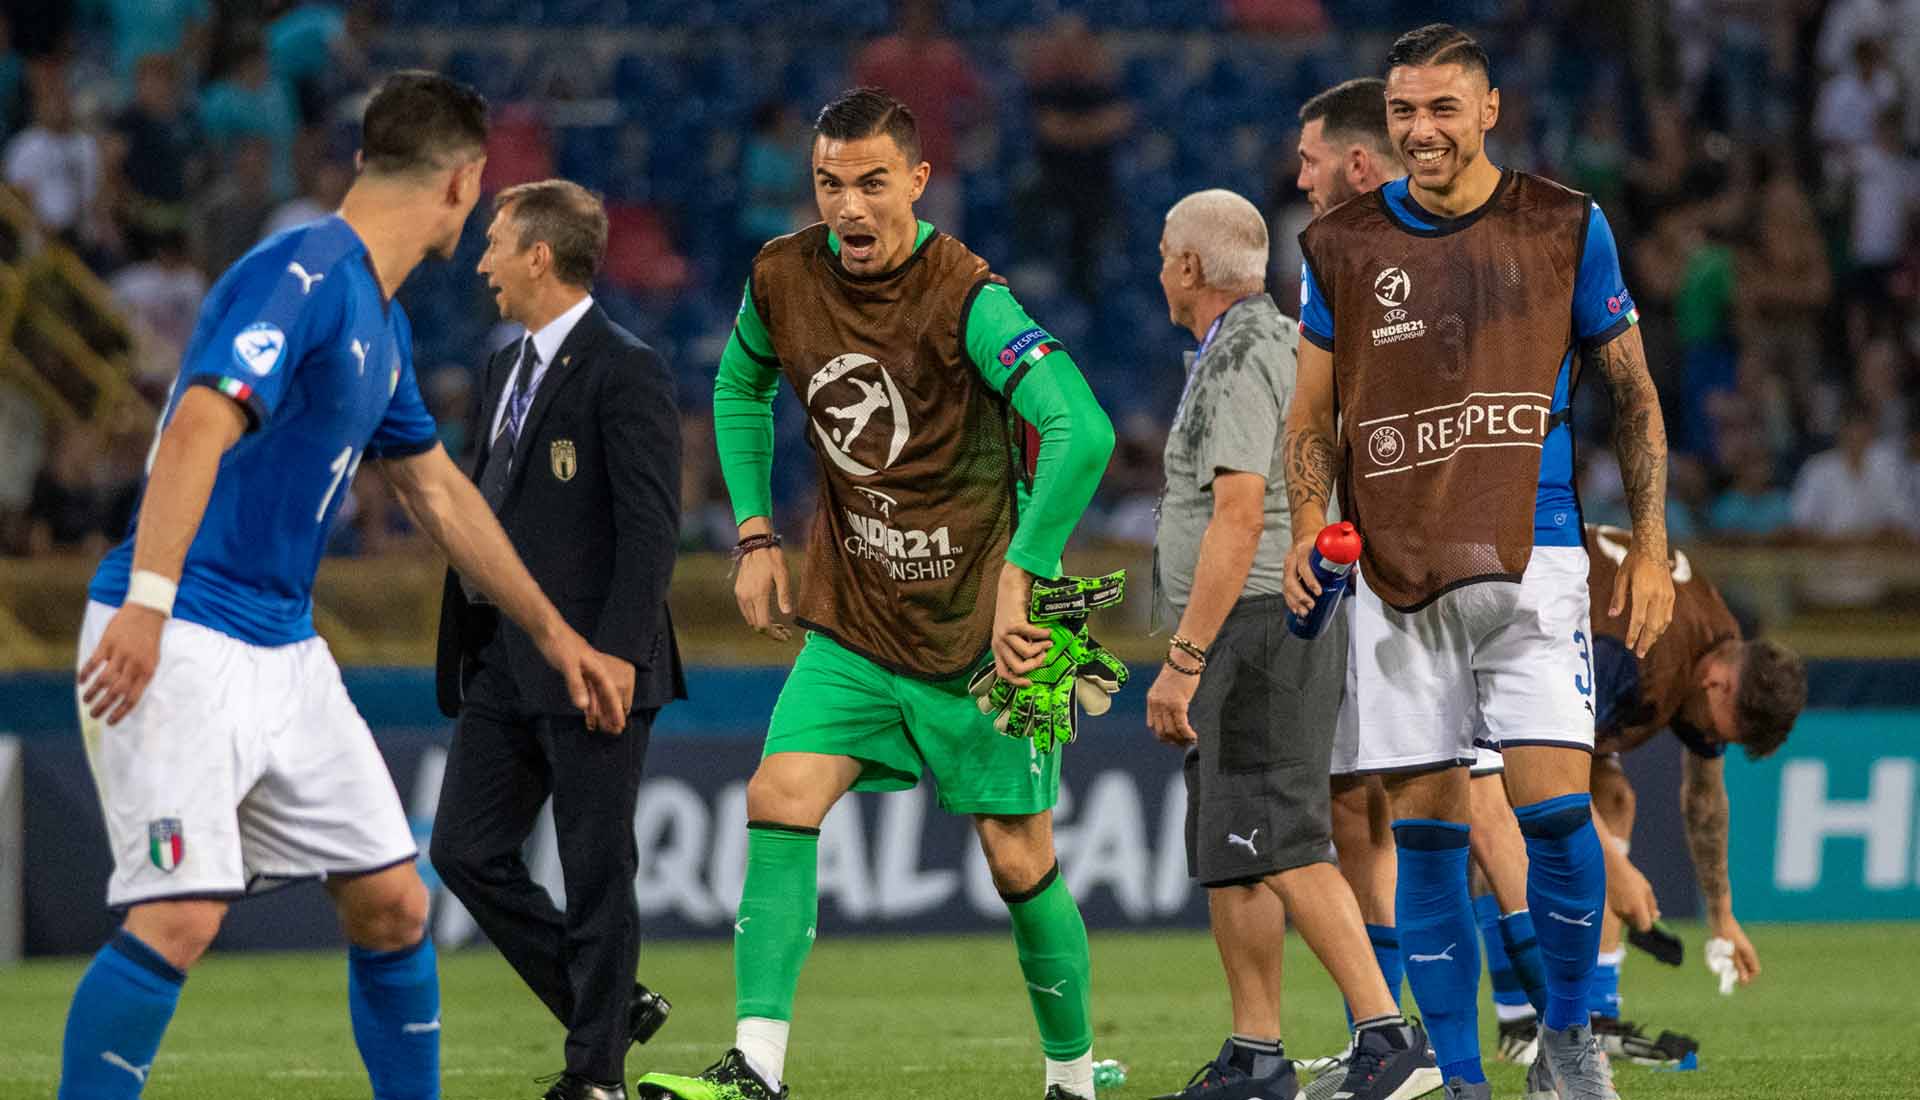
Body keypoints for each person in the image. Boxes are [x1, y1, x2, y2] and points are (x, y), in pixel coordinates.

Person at [57, 71, 632, 1100]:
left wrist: (557, 635)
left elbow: (438, 493)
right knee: (180, 915)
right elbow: (196, 425)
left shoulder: (380, 318)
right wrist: (147, 602)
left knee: (394, 903)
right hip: (182, 625)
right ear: (462, 183)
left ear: (368, 159)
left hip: (283, 646)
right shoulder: (302, 270)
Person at [636, 87, 1117, 1100]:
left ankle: (1073, 1078)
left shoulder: (970, 297)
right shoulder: (782, 276)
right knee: (779, 794)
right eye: (828, 184)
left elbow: (1082, 429)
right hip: (855, 613)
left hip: (991, 628)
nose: (847, 206)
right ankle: (756, 1067)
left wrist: (1027, 576)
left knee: (1018, 858)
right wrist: (756, 532)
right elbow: (738, 385)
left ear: (918, 181)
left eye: (870, 183)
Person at [1285, 26, 1674, 1100]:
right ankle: (1461, 1078)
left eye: (1442, 108)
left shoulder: (1564, 223)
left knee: (1555, 813)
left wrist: (1650, 544)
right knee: (1426, 833)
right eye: (1404, 111)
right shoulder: (1341, 244)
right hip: (1394, 566)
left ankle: (1568, 1034)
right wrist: (1305, 525)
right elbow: (1310, 415)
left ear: (1490, 109)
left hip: (1533, 549)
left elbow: (1634, 392)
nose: (1422, 131)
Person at [1144, 187, 1439, 1100]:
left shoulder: (1239, 355)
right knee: (1236, 851)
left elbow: (1239, 517)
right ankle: (1256, 1055)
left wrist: (1185, 659)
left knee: (1284, 837)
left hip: (1258, 624)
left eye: (1164, 254)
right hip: (1264, 621)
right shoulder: (1279, 343)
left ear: (1190, 265)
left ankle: (1389, 1039)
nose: (1159, 270)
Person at [429, 179, 685, 1100]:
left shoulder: (625, 367)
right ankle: (607, 1007)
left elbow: (652, 528)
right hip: (503, 659)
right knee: (464, 851)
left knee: (596, 868)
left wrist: (616, 653)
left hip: (593, 666)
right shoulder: (503, 367)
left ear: (540, 255)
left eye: (496, 244)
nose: (483, 263)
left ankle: (596, 1077)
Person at [1580, 523, 1804, 1056]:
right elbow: (1544, 771)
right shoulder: (1636, 655)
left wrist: (1721, 915)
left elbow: (1705, 796)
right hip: (1506, 646)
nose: (1712, 740)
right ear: (1718, 683)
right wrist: (1618, 870)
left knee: (1613, 800)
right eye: (1721, 729)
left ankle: (1597, 1016)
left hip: (1577, 656)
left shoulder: (1718, 640)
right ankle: (1521, 1022)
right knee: (1510, 821)